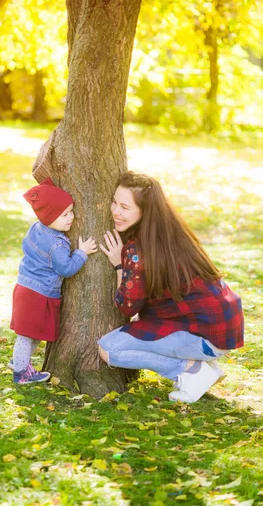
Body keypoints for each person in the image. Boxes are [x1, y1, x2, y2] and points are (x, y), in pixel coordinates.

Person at [98, 171, 244, 403]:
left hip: (207, 336)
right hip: (223, 327)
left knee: (109, 349)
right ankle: (199, 367)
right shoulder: (172, 232)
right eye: (114, 202)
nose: (115, 211)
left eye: (125, 207)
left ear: (144, 211)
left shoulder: (138, 251)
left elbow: (127, 307)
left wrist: (119, 265)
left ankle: (189, 370)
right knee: (139, 329)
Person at [10, 177, 97, 384]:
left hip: (24, 287)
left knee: (31, 333)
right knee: (27, 334)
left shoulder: (36, 228)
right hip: (38, 294)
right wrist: (82, 253)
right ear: (49, 217)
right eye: (64, 214)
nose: (71, 218)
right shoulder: (57, 245)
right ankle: (21, 372)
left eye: (71, 211)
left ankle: (19, 362)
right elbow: (66, 269)